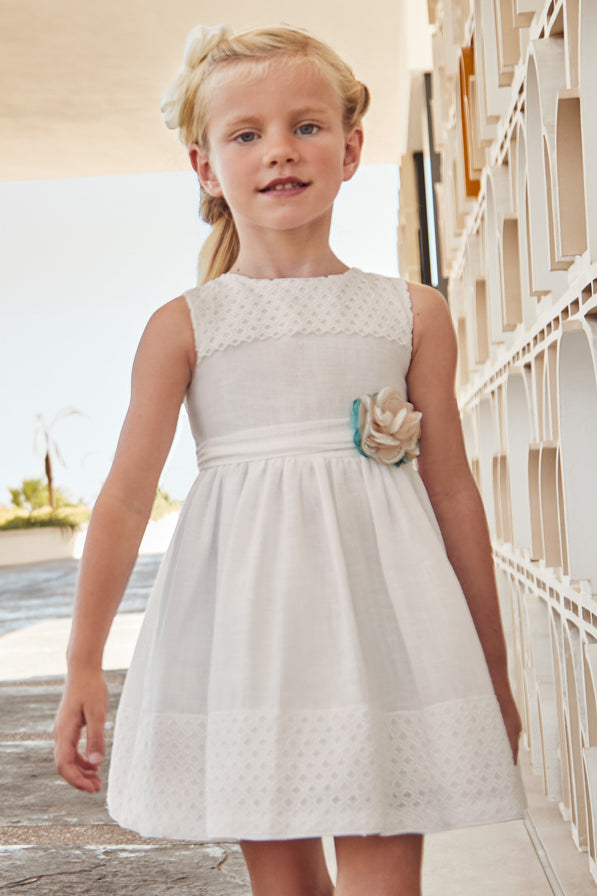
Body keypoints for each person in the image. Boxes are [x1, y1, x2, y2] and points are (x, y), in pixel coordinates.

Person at [54, 23, 525, 896]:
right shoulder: (185, 325)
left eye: (306, 126)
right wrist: (84, 662)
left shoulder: (411, 313)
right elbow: (123, 499)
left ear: (349, 150)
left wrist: (490, 669)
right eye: (246, 134)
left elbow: (454, 494)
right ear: (204, 167)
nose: (279, 150)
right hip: (248, 648)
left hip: (388, 641)